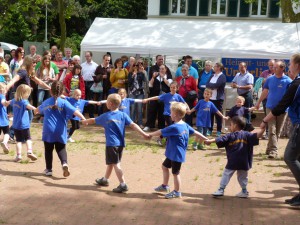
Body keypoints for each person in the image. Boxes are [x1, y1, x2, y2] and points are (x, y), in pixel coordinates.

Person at [82, 93, 150, 193]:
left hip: (111, 144)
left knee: (116, 164)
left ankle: (123, 184)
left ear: (110, 104)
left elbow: (93, 120)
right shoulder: (123, 115)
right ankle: (105, 180)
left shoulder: (106, 115)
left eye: (107, 101)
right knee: (112, 162)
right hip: (120, 144)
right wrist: (143, 134)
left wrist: (84, 121)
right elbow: (133, 125)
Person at [260, 53, 300, 207]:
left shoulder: (296, 84)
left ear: (296, 65)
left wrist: (264, 120)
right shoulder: (296, 82)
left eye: (290, 63)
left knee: (290, 157)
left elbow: (282, 105)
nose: (289, 66)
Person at [149, 102, 207, 199]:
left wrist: (149, 135)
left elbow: (161, 131)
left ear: (175, 114)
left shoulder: (175, 127)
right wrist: (205, 138)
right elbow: (196, 132)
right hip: (173, 154)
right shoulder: (184, 124)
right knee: (164, 166)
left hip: (176, 155)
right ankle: (165, 186)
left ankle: (177, 192)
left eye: (171, 112)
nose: (170, 114)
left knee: (176, 173)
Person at [34, 81, 86, 177]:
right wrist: (84, 119)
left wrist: (36, 111)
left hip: (48, 130)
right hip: (61, 130)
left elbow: (36, 111)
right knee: (61, 148)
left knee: (48, 150)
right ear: (62, 91)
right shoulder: (64, 102)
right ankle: (64, 163)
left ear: (50, 92)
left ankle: (49, 169)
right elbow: (75, 111)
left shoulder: (46, 102)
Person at [205, 116, 265, 198]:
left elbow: (219, 139)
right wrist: (263, 129)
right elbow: (258, 135)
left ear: (235, 125)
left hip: (233, 160)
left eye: (231, 124)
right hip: (244, 161)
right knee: (243, 176)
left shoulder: (230, 135)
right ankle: (244, 191)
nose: (230, 127)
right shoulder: (247, 134)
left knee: (226, 174)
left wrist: (209, 141)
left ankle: (221, 189)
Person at [254, 60, 292, 159]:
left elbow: (291, 96)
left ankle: (269, 148)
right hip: (270, 107)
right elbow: (265, 92)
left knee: (277, 131)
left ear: (282, 68)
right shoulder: (269, 79)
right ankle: (274, 151)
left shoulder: (288, 81)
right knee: (272, 129)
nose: (273, 69)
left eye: (276, 67)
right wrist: (258, 103)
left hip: (282, 110)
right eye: (273, 67)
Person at [143, 81, 188, 146]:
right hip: (167, 114)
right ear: (170, 88)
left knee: (170, 128)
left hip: (175, 115)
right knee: (171, 127)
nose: (173, 89)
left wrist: (187, 109)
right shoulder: (166, 95)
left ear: (177, 88)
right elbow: (157, 97)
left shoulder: (178, 96)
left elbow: (184, 103)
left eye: (174, 88)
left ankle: (161, 138)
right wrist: (147, 99)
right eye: (171, 87)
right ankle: (166, 141)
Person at [9, 84, 38, 162]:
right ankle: (29, 151)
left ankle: (18, 155)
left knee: (18, 141)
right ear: (24, 94)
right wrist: (35, 109)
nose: (28, 95)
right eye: (28, 93)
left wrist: (4, 102)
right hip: (24, 125)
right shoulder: (24, 101)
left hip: (16, 125)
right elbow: (29, 106)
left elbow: (7, 102)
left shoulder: (14, 100)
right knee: (28, 139)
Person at [143, 56, 172, 132]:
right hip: (154, 95)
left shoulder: (168, 76)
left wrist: (163, 78)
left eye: (163, 69)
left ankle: (161, 126)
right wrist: (153, 77)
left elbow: (170, 85)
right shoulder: (155, 75)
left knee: (162, 111)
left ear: (166, 70)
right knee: (152, 110)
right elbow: (150, 85)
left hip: (164, 96)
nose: (162, 70)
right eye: (160, 69)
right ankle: (149, 125)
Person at [206, 62, 226, 136]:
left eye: (215, 66)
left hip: (218, 99)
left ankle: (218, 130)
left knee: (218, 115)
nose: (213, 67)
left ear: (218, 68)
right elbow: (207, 84)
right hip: (211, 98)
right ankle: (210, 130)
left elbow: (217, 85)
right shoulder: (212, 75)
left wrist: (211, 86)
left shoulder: (222, 76)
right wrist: (212, 86)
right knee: (210, 114)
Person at [128, 62, 148, 127]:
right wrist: (133, 76)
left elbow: (145, 81)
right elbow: (129, 83)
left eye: (137, 66)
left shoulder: (141, 73)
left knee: (139, 109)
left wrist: (143, 72)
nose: (136, 67)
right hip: (132, 92)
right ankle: (132, 122)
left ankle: (140, 123)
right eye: (134, 65)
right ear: (133, 66)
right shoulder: (130, 73)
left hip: (140, 92)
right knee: (133, 108)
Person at [259, 59, 275, 139]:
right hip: (265, 98)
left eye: (272, 65)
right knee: (266, 116)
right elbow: (258, 83)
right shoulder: (264, 73)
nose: (271, 67)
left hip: (275, 98)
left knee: (274, 115)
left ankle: (273, 133)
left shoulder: (278, 73)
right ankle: (267, 133)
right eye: (270, 65)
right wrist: (265, 80)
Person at [81, 51, 98, 118]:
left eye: (88, 56)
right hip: (84, 82)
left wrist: (95, 83)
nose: (87, 57)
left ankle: (91, 114)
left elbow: (97, 76)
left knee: (91, 99)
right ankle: (82, 113)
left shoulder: (95, 65)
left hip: (92, 83)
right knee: (83, 97)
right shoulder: (82, 65)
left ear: (91, 56)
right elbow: (81, 74)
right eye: (86, 56)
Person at [0, 83, 10, 154]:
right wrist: (8, 102)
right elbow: (3, 103)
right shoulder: (2, 96)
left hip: (3, 116)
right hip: (3, 120)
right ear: (2, 90)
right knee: (7, 132)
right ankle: (5, 142)